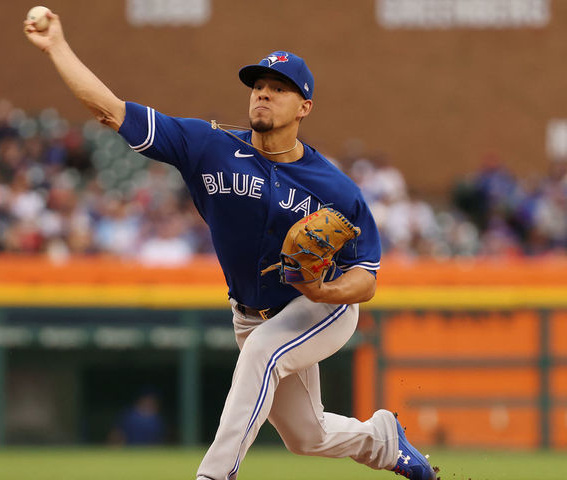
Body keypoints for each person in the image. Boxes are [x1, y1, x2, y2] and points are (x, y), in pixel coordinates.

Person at [24, 11, 436, 480]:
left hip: (319, 308)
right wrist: (57, 46)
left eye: (279, 87)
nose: (263, 92)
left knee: (263, 351)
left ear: (304, 107)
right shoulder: (209, 146)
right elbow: (110, 108)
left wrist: (327, 292)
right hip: (250, 312)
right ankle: (381, 440)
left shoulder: (335, 188)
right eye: (259, 84)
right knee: (308, 437)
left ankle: (214, 475)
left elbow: (366, 277)